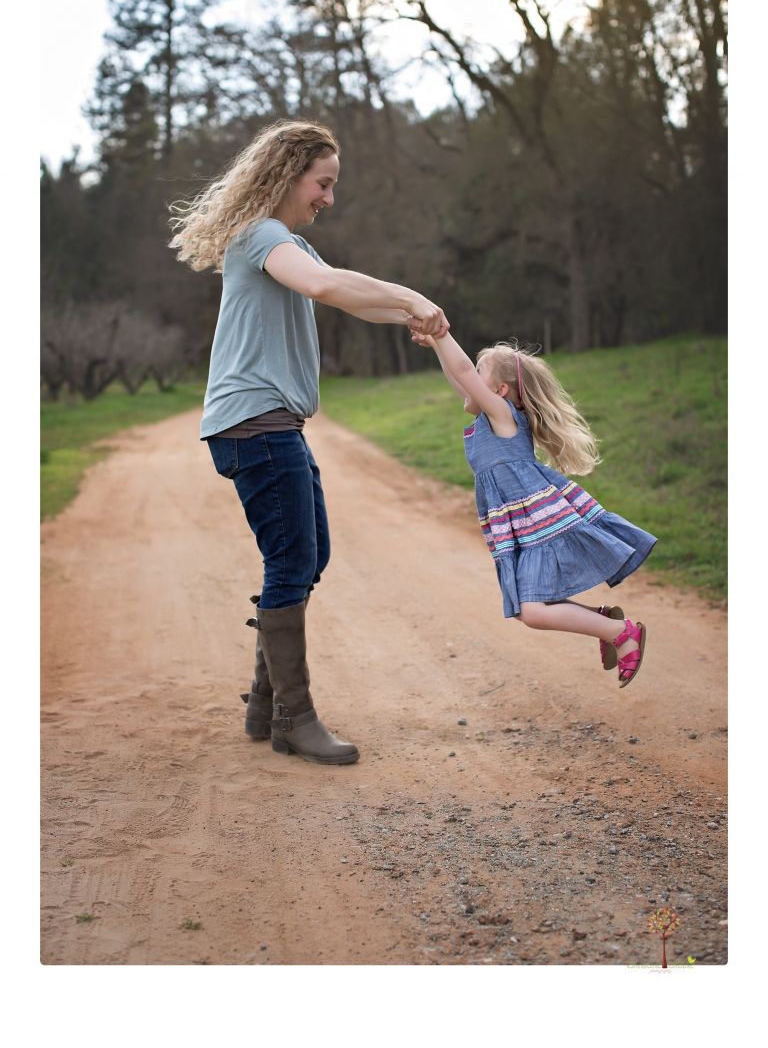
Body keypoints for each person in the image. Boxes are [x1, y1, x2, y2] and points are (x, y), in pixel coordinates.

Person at [170, 120, 449, 764]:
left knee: (307, 554)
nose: (329, 197)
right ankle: (293, 719)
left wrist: (413, 317)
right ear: (288, 175)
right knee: (294, 560)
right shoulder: (264, 236)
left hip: (266, 424)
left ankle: (266, 705)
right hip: (256, 422)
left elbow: (350, 298)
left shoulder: (284, 243)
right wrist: (414, 295)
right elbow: (327, 287)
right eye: (322, 183)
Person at [407, 329, 656, 687]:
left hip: (537, 519)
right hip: (519, 524)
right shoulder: (490, 414)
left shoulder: (503, 415)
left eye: (480, 372)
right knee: (529, 610)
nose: (469, 382)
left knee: (533, 611)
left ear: (500, 391)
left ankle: (622, 632)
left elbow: (463, 374)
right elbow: (462, 380)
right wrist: (436, 348)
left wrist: (443, 335)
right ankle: (603, 622)